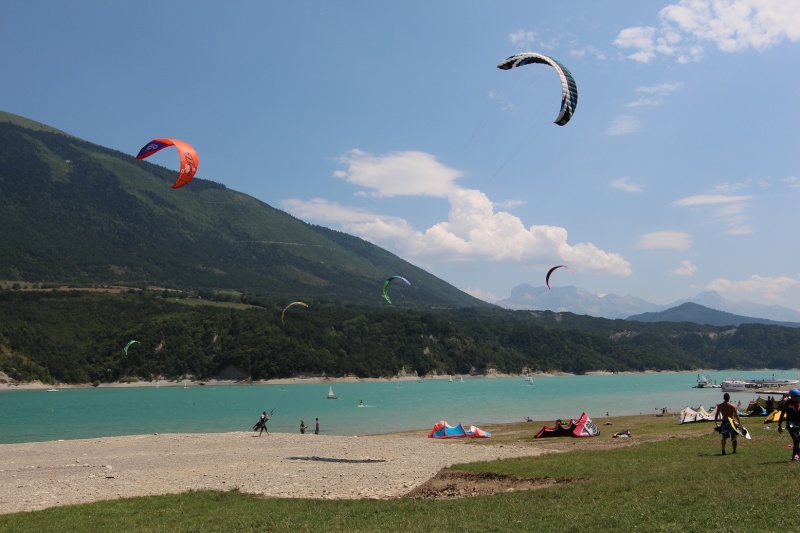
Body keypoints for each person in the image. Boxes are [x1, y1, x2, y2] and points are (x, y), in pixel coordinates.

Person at [777, 388, 800, 461]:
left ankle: (794, 456)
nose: (797, 398)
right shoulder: (787, 403)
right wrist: (779, 426)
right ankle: (797, 455)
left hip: (798, 423)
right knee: (796, 440)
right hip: (790, 423)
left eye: (798, 396)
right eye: (795, 396)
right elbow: (782, 414)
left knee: (797, 440)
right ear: (791, 396)